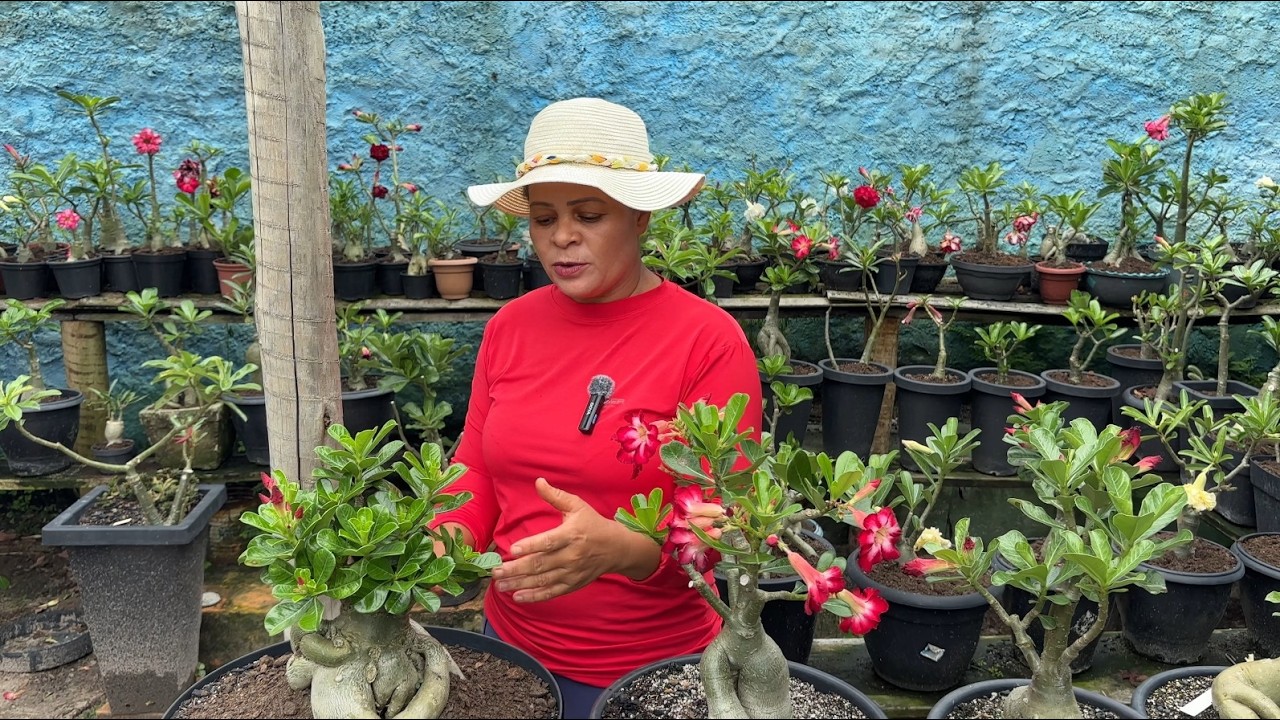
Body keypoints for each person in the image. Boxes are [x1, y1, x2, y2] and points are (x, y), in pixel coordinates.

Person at [431, 97, 763, 718]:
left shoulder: (707, 341)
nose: (561, 236)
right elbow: (474, 466)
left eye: (588, 214)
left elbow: (729, 528)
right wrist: (434, 546)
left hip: (655, 673)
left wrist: (622, 548)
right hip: (509, 655)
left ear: (640, 216)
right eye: (542, 217)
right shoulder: (510, 327)